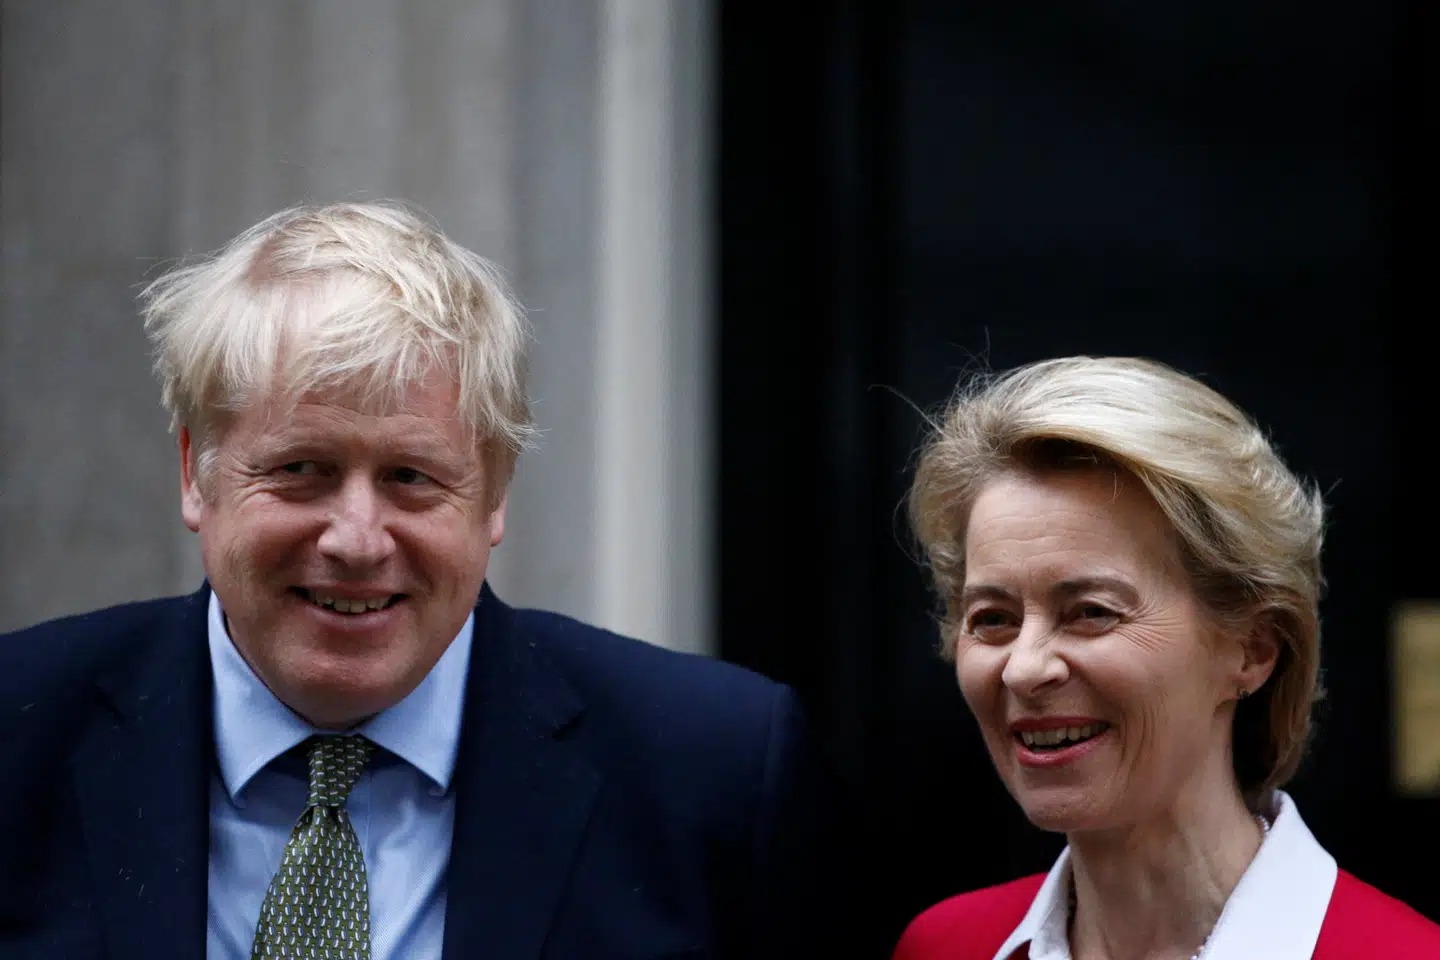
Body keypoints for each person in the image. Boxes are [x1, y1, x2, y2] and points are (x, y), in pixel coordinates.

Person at [0, 201, 862, 960]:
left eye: (412, 477)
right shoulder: (18, 734)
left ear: (494, 492)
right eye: (302, 468)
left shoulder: (716, 772)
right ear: (199, 473)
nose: (356, 539)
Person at [892, 357, 1440, 960]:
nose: (1024, 668)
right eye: (993, 618)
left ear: (1253, 647)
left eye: (1091, 611)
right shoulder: (945, 946)